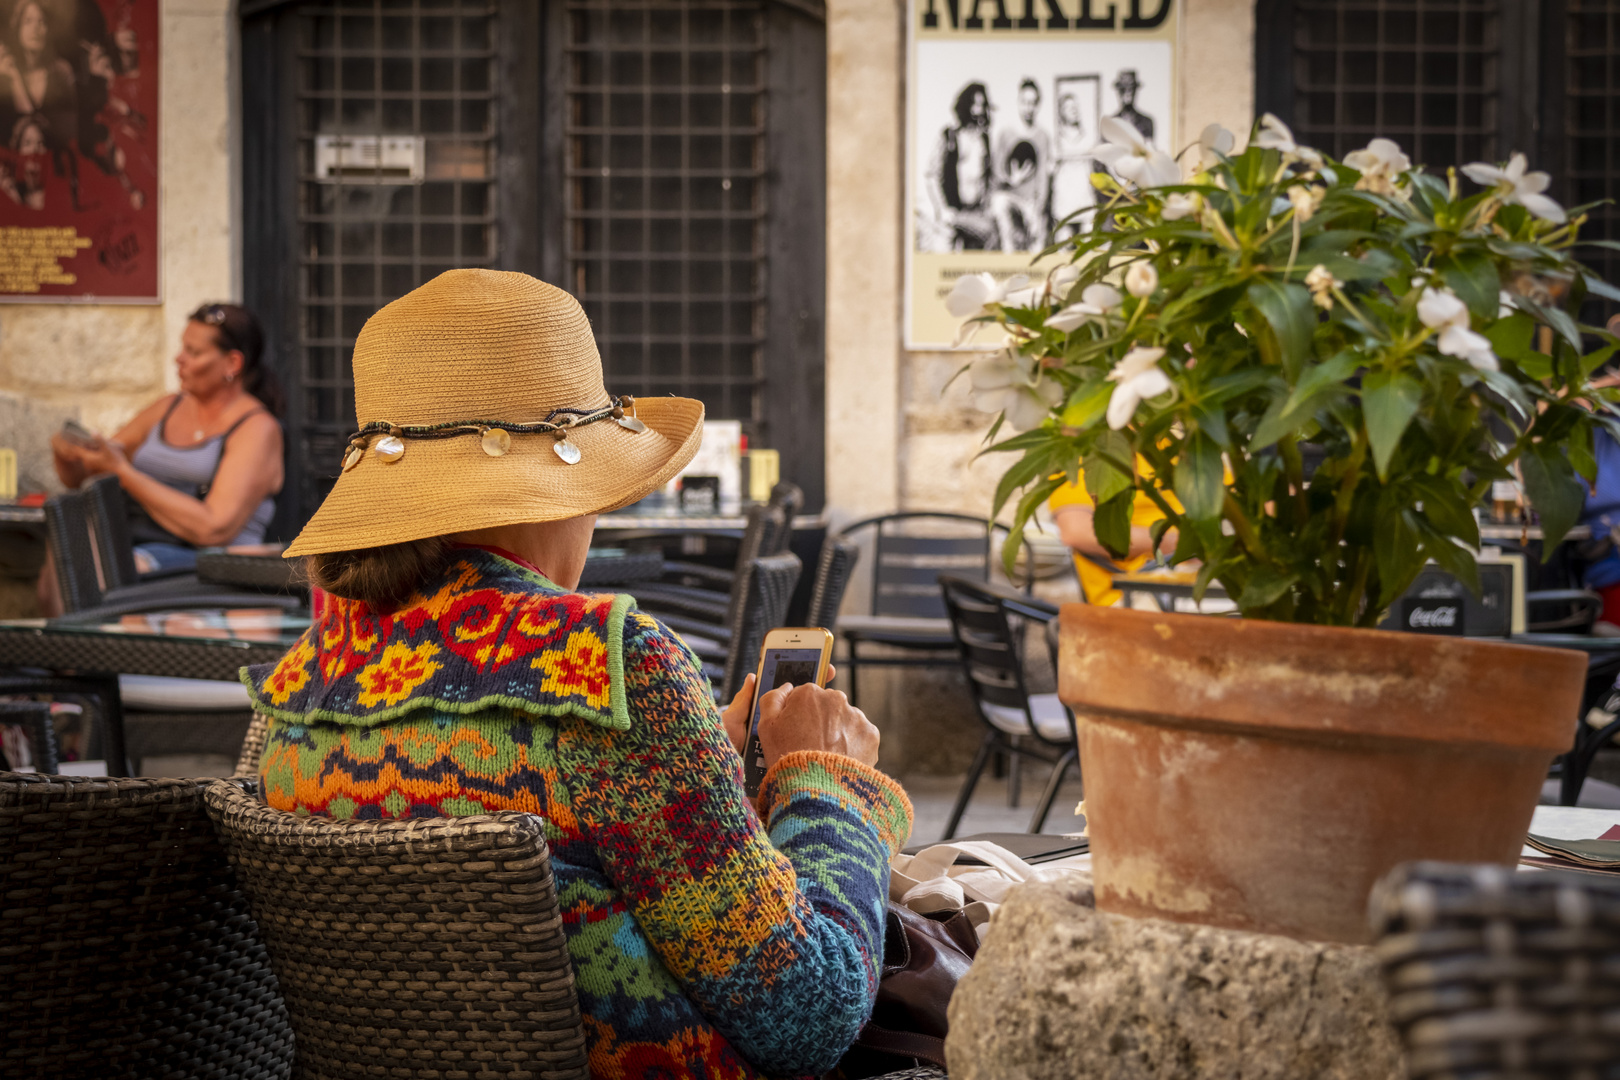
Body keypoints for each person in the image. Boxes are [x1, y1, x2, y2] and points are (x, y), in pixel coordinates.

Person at [242, 269, 912, 1078]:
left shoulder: (299, 686)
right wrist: (826, 780)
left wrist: (701, 758)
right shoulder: (603, 670)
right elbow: (810, 1016)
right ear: (556, 489)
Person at [41, 303, 283, 613]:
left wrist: (123, 472)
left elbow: (214, 529)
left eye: (193, 353)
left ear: (232, 363)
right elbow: (86, 475)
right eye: (183, 348)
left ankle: (83, 655)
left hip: (208, 562)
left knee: (106, 570)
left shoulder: (257, 429)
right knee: (67, 551)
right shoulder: (166, 407)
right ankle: (65, 655)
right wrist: (69, 454)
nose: (178, 359)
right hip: (137, 543)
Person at [922, 80, 996, 251]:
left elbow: (989, 176)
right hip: (951, 216)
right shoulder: (949, 136)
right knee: (942, 267)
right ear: (965, 105)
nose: (978, 110)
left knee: (988, 240)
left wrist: (987, 203)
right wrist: (941, 210)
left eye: (982, 105)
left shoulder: (984, 139)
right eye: (974, 104)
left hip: (975, 215)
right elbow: (930, 174)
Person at [990, 78, 1051, 251]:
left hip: (1030, 201)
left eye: (1032, 103)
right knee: (998, 203)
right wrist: (1011, 179)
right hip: (1009, 196)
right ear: (1018, 102)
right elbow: (996, 171)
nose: (1028, 108)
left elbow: (1042, 178)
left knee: (1038, 238)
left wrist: (1038, 209)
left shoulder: (1043, 137)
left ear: (1038, 105)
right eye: (1024, 102)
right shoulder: (1005, 134)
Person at [1050, 90, 1096, 239]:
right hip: (1064, 204)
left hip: (1085, 201)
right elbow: (1049, 170)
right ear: (1061, 112)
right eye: (1069, 107)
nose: (1074, 110)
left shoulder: (1089, 138)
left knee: (1087, 250)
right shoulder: (1055, 140)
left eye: (1075, 106)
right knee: (1062, 250)